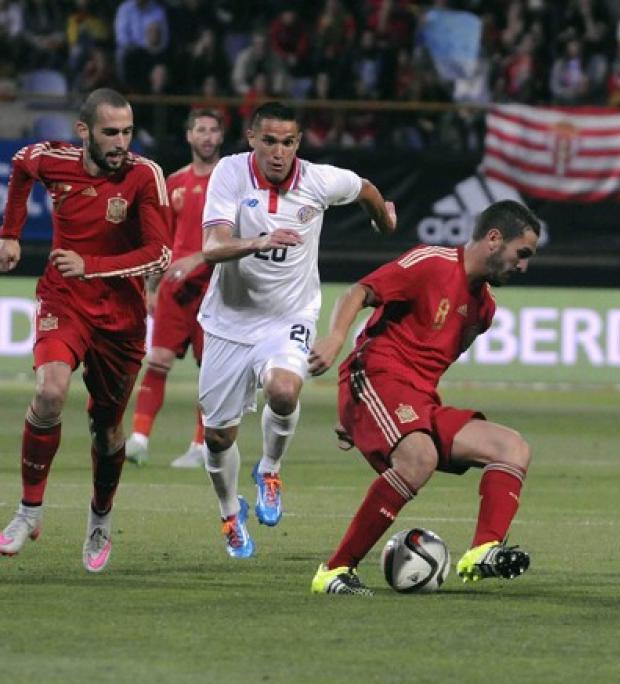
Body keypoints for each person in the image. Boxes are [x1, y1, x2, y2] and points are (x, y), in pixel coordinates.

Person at [307, 199, 540, 596]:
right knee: (419, 457)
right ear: (494, 239)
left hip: (419, 397)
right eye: (523, 254)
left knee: (511, 447)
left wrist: (370, 420)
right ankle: (335, 570)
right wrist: (334, 338)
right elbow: (361, 291)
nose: (524, 266)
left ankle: (483, 549)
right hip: (376, 372)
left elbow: (430, 364)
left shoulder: (483, 309)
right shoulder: (432, 262)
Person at [199, 101, 396, 559]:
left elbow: (365, 188)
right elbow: (211, 247)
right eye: (269, 141)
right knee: (217, 437)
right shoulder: (229, 174)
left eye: (288, 142)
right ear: (251, 139)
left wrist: (382, 219)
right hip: (228, 321)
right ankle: (230, 512)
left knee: (285, 390)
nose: (278, 151)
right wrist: (258, 241)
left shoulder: (318, 181)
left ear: (298, 143)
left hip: (289, 316)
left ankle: (270, 468)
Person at [0, 88, 172, 571]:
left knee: (107, 428)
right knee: (50, 392)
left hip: (120, 320)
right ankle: (28, 510)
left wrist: (89, 264)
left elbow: (160, 255)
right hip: (64, 301)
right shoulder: (52, 160)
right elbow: (20, 164)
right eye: (110, 132)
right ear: (84, 133)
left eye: (127, 132)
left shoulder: (145, 176)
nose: (121, 142)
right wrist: (9, 233)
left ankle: (100, 517)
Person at [126, 108, 224, 468]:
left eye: (214, 130)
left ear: (221, 137)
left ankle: (201, 445)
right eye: (201, 129)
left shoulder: (229, 180)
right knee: (159, 359)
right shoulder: (174, 182)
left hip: (215, 287)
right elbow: (161, 239)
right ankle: (138, 439)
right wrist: (151, 286)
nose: (208, 136)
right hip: (173, 288)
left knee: (210, 368)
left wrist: (198, 258)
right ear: (189, 136)